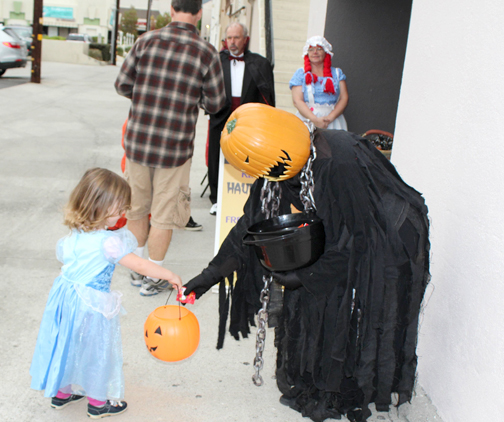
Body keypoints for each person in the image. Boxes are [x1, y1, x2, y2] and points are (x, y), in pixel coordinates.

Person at [183, 104, 430, 422]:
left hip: (387, 235)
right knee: (311, 299)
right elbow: (250, 227)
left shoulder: (338, 161)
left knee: (355, 312)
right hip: (345, 233)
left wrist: (307, 276)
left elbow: (359, 240)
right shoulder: (276, 164)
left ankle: (346, 389)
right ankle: (318, 380)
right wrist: (208, 277)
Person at [30, 168, 183, 419]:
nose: (123, 213)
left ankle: (62, 393)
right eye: (119, 208)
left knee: (67, 344)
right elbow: (139, 265)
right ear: (101, 206)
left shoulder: (76, 232)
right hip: (91, 304)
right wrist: (169, 275)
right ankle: (98, 403)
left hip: (64, 298)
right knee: (96, 351)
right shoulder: (107, 243)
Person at [114, 0, 226, 296]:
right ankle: (153, 278)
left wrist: (147, 95)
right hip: (175, 149)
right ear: (199, 13)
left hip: (138, 143)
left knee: (137, 209)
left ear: (172, 9)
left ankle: (137, 271)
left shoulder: (145, 41)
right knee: (163, 216)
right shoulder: (206, 52)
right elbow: (216, 103)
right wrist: (190, 98)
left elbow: (122, 84)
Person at [207, 22, 275, 215]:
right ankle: (216, 198)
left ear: (246, 39)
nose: (232, 42)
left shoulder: (259, 63)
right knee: (216, 156)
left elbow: (266, 93)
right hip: (221, 116)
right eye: (229, 38)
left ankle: (246, 197)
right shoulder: (216, 61)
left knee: (246, 155)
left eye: (236, 37)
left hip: (248, 118)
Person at [290, 35, 348, 130]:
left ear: (326, 52)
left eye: (319, 49)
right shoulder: (301, 74)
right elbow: (297, 100)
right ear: (307, 53)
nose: (315, 52)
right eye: (311, 49)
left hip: (332, 121)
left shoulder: (337, 73)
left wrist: (329, 118)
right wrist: (315, 120)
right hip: (307, 121)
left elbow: (344, 98)